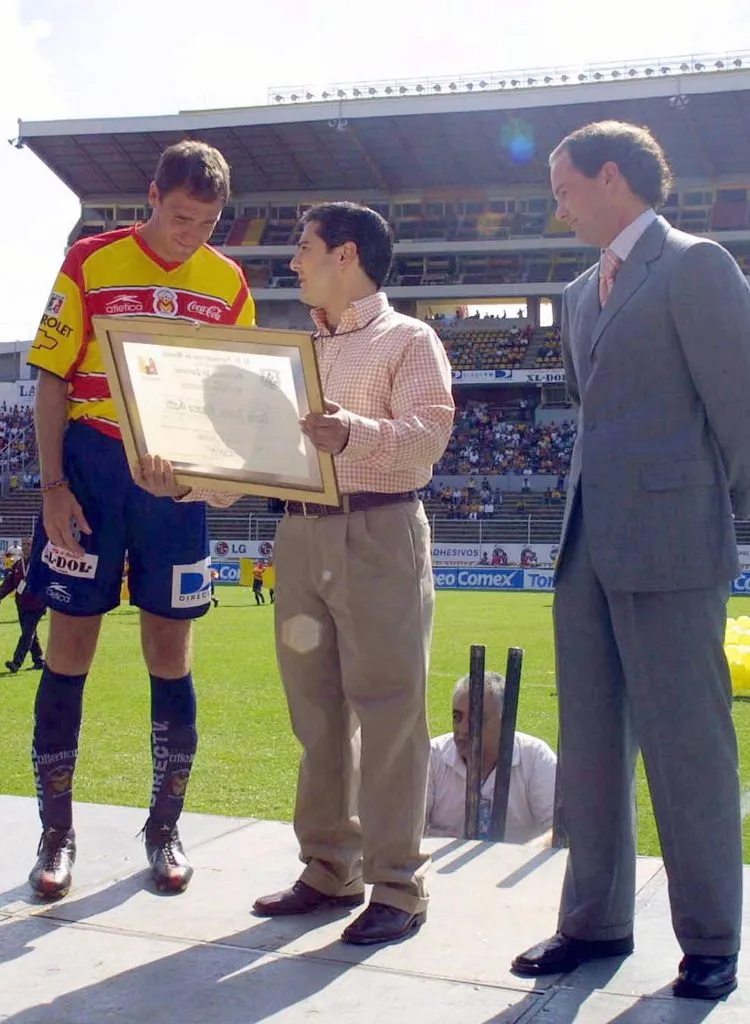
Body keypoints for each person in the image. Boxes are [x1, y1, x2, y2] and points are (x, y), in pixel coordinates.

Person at [511, 121, 750, 1002]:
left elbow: (741, 413)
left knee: (689, 751)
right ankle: (593, 922)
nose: (559, 206)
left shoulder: (695, 265)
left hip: (672, 546)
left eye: (565, 189)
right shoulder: (580, 291)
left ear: (612, 176)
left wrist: (698, 513)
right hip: (586, 549)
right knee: (590, 747)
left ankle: (711, 940)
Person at [24, 139, 255, 901]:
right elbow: (52, 380)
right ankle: (56, 834)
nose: (193, 236)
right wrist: (53, 487)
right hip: (91, 466)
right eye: (182, 217)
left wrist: (212, 475)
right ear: (152, 197)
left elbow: (236, 397)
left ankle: (164, 828)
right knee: (71, 646)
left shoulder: (227, 281)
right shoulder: (91, 260)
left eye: (208, 224)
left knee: (171, 649)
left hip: (175, 478)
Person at [251, 202, 454, 945]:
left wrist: (351, 432)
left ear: (346, 255)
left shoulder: (410, 338)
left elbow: (430, 436)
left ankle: (397, 885)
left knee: (391, 710)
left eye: (304, 247)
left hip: (378, 527)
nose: (293, 262)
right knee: (316, 712)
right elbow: (261, 451)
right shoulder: (299, 349)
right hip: (300, 533)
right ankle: (329, 866)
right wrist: (186, 481)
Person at [426, 672, 556, 844]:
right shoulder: (432, 756)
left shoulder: (534, 757)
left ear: (505, 721)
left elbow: (562, 829)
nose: (463, 729)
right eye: (457, 717)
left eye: (476, 718)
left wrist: (520, 854)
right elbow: (406, 828)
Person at [0, 537, 46, 674]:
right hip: (22, 604)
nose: (26, 547)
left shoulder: (40, 564)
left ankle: (16, 662)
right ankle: (39, 660)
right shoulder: (18, 565)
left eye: (29, 544)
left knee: (27, 634)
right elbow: (9, 583)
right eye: (24, 544)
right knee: (30, 633)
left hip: (37, 605)